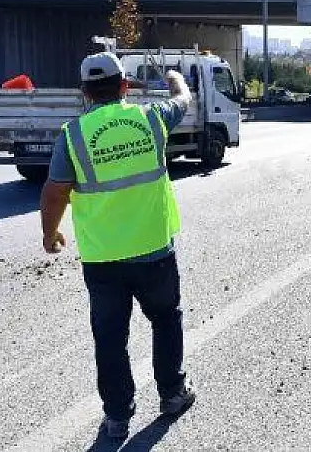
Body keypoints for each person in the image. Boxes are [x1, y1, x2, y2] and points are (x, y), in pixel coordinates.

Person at [39, 51, 196, 440]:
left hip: (103, 258)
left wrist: (50, 233)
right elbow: (183, 100)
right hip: (154, 249)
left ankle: (117, 417)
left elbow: (55, 192)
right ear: (125, 86)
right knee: (165, 320)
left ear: (85, 93)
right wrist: (175, 78)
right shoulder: (151, 118)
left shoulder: (73, 135)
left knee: (110, 338)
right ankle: (173, 394)